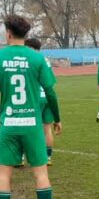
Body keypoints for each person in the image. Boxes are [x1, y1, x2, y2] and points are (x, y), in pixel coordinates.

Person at [0, 15, 66, 199]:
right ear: (25, 34)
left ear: (8, 33)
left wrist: (1, 111)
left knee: (4, 174)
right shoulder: (37, 58)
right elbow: (50, 92)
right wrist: (57, 118)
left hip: (9, 124)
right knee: (40, 173)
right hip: (32, 124)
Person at [24, 36, 58, 165]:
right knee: (47, 129)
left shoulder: (29, 60)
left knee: (26, 128)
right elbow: (52, 82)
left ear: (30, 48)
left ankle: (21, 157)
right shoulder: (46, 60)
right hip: (47, 97)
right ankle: (48, 157)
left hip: (34, 98)